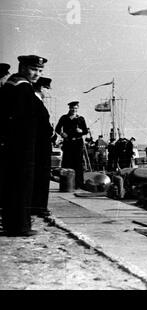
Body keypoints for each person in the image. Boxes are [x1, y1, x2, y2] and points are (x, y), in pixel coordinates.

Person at [0, 55, 50, 236]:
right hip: (22, 145)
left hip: (21, 144)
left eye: (40, 71)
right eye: (33, 69)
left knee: (16, 185)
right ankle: (19, 226)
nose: (37, 74)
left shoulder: (16, 85)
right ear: (22, 67)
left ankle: (15, 224)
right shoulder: (21, 88)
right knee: (20, 185)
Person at [31, 76, 56, 217]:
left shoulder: (35, 102)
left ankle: (37, 205)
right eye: (47, 89)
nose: (48, 93)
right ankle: (39, 207)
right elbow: (43, 127)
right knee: (41, 176)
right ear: (41, 89)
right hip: (41, 146)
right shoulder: (36, 102)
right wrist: (52, 135)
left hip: (39, 145)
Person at [55, 101, 88, 189]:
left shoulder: (81, 119)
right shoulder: (64, 118)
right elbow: (57, 128)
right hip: (68, 142)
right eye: (72, 108)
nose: (74, 110)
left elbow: (85, 131)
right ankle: (66, 183)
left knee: (78, 163)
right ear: (69, 108)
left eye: (76, 108)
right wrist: (62, 134)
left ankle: (78, 184)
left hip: (78, 143)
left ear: (78, 109)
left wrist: (81, 131)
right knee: (67, 162)